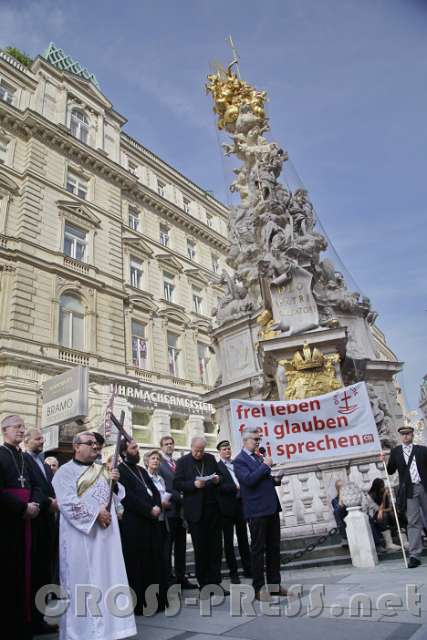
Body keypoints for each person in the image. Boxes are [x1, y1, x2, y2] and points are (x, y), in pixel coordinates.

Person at [52, 431, 136, 640]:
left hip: (107, 540)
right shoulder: (64, 472)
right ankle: (80, 633)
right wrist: (95, 513)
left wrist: (114, 483)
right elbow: (67, 502)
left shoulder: (102, 470)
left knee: (109, 580)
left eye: (96, 445)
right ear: (76, 446)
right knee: (83, 583)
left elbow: (116, 499)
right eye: (90, 444)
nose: (95, 447)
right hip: (80, 539)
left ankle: (111, 630)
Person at [0, 415, 44, 640]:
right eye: (17, 427)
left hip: (29, 521)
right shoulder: (0, 454)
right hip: (8, 524)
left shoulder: (25, 458)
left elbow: (37, 484)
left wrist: (34, 504)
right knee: (8, 574)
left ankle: (24, 623)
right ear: (4, 430)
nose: (21, 430)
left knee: (27, 574)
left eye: (23, 427)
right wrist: (21, 508)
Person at [233, 427, 287, 601]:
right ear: (246, 440)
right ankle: (258, 588)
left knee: (274, 548)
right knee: (258, 550)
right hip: (256, 511)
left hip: (271, 508)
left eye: (259, 440)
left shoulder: (258, 457)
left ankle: (275, 585)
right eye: (255, 439)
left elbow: (263, 479)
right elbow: (249, 480)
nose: (258, 442)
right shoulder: (239, 461)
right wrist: (265, 466)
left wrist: (275, 479)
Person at [174, 436, 227, 595]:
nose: (199, 453)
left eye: (201, 450)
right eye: (196, 450)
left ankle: (216, 583)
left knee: (216, 549)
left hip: (213, 510)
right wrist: (193, 485)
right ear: (191, 447)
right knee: (201, 549)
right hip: (195, 513)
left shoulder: (210, 458)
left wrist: (218, 479)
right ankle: (204, 585)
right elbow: (176, 483)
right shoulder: (182, 462)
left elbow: (221, 476)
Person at [119, 439, 167, 614]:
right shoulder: (120, 471)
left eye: (137, 447)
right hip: (135, 524)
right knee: (138, 564)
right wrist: (148, 509)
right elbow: (127, 497)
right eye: (133, 448)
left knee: (154, 561)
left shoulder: (140, 470)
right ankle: (140, 604)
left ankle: (156, 601)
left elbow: (153, 490)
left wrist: (156, 505)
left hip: (151, 523)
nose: (137, 450)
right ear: (124, 452)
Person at [24, 428, 59, 635]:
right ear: (27, 441)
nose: (42, 441)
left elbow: (49, 487)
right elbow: (31, 489)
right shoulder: (24, 461)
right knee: (35, 573)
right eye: (37, 439)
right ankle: (32, 621)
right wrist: (48, 502)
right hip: (35, 522)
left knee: (45, 573)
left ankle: (40, 618)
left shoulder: (45, 464)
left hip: (48, 524)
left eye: (42, 438)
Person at [385, 425, 427, 568]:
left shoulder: (422, 450)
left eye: (408, 434)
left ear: (412, 435)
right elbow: (390, 471)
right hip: (409, 490)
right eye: (403, 434)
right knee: (413, 521)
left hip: (424, 487)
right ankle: (415, 554)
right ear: (400, 436)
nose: (405, 436)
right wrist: (384, 461)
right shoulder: (396, 452)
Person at [158, 435, 195, 589]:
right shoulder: (159, 464)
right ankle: (168, 578)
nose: (169, 446)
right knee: (168, 547)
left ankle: (181, 577)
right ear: (161, 447)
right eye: (166, 444)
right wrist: (178, 496)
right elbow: (163, 486)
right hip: (170, 511)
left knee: (181, 547)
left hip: (182, 512)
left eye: (171, 444)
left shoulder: (177, 463)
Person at [216, 440, 252, 583]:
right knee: (229, 542)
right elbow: (219, 487)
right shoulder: (217, 467)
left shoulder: (236, 464)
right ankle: (233, 573)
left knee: (243, 538)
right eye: (224, 449)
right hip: (226, 508)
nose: (227, 451)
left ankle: (248, 569)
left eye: (228, 448)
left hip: (240, 505)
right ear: (219, 452)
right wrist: (235, 488)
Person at [365, 478, 401, 551]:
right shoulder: (370, 496)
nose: (383, 488)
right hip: (376, 516)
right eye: (381, 487)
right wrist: (384, 497)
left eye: (383, 486)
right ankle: (389, 543)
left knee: (394, 513)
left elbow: (391, 507)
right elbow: (377, 509)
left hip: (386, 512)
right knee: (383, 516)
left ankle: (403, 540)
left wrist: (387, 496)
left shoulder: (387, 492)